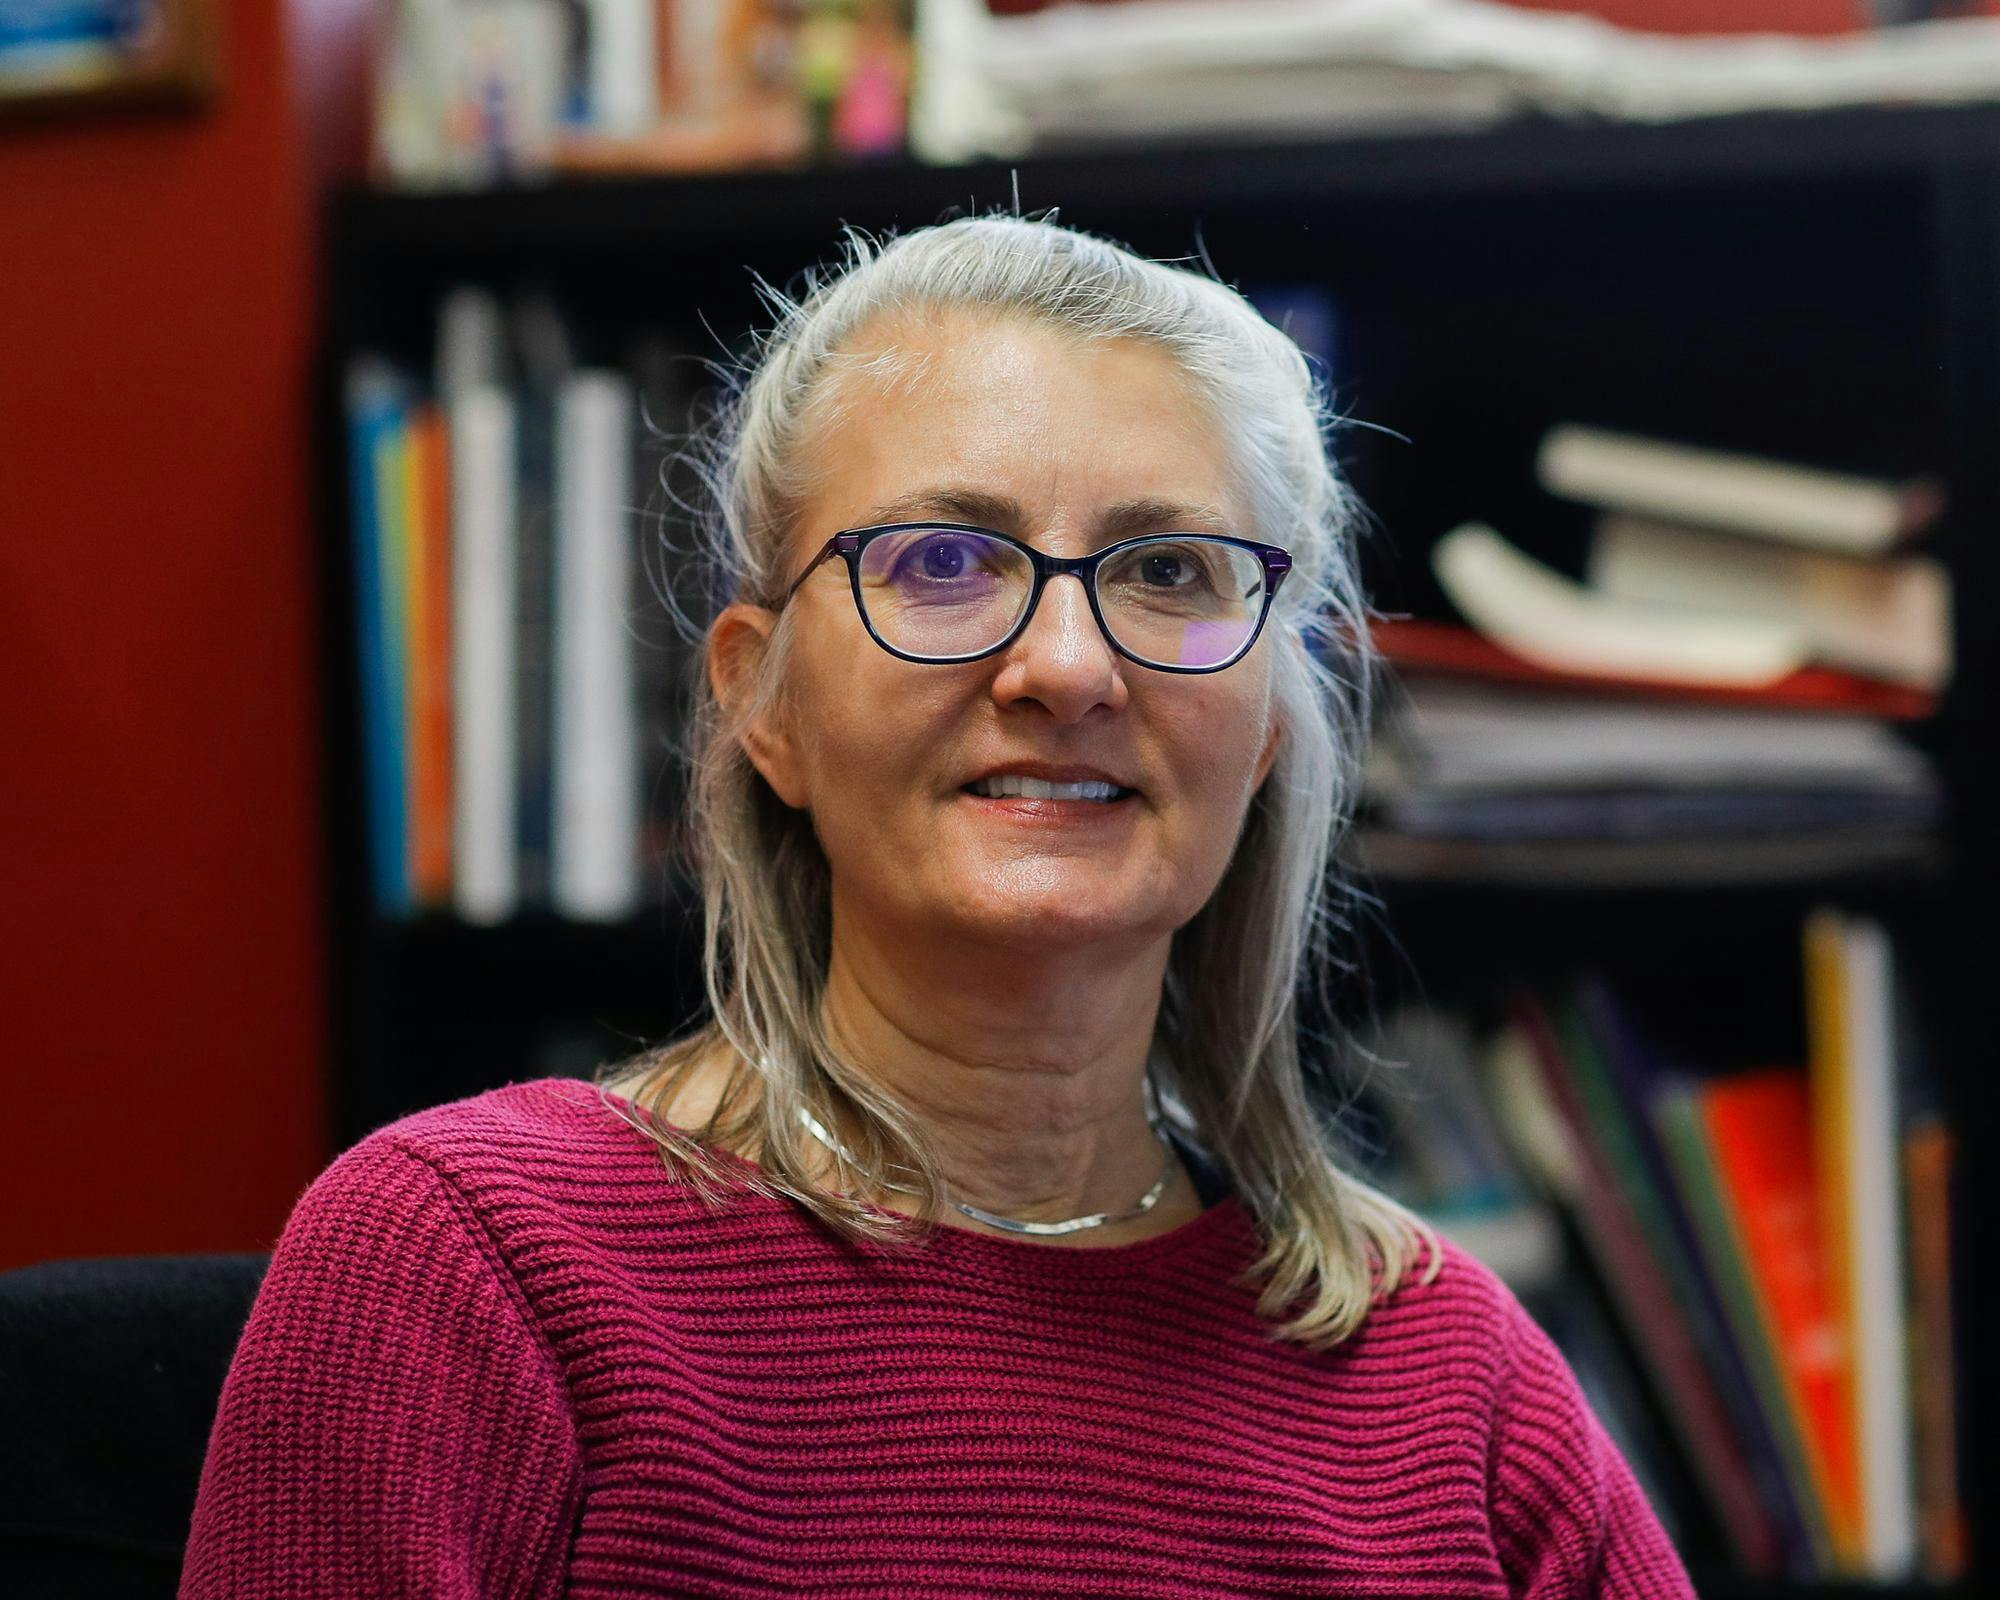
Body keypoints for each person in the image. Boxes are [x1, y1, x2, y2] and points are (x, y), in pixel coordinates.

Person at [180, 215, 1698, 1598]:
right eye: (945, 560)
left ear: (1272, 731)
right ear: (760, 701)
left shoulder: (1452, 1383)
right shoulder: (471, 1266)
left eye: (1167, 569)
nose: (1067, 668)